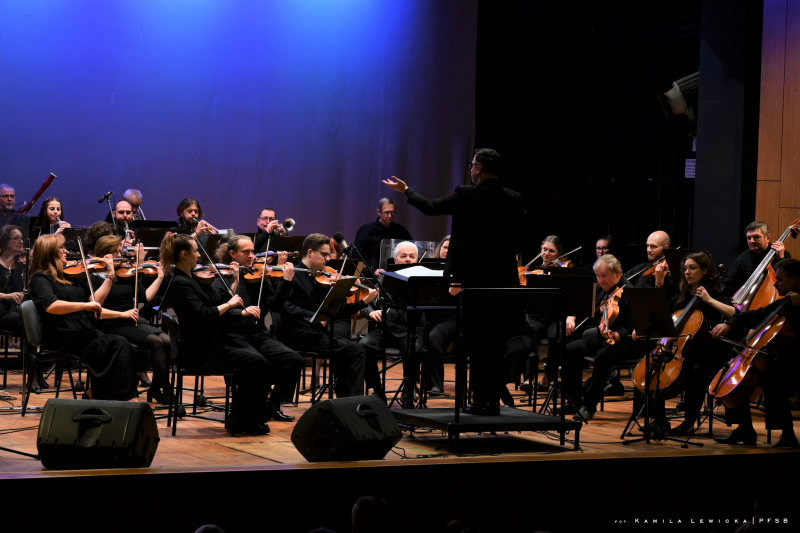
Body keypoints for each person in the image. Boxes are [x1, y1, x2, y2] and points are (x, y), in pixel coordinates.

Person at [383, 147, 527, 415]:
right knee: (494, 343)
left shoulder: (466, 194)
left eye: (473, 164)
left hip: (471, 281)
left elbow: (430, 207)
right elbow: (519, 238)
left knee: (475, 343)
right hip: (502, 282)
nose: (471, 168)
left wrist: (406, 191)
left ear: (478, 168)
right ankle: (491, 402)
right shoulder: (513, 198)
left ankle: (479, 401)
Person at [159, 232, 272, 435]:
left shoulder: (191, 278)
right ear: (184, 255)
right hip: (201, 351)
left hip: (210, 343)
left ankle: (243, 418)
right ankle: (242, 421)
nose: (199, 256)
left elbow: (213, 303)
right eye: (196, 252)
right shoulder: (180, 283)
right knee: (256, 362)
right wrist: (230, 304)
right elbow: (203, 314)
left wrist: (233, 285)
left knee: (258, 359)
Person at [633, 252, 735, 435]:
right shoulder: (682, 296)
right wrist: (643, 326)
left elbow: (734, 313)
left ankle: (689, 422)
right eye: (685, 268)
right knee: (653, 365)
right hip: (686, 348)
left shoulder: (715, 293)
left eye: (692, 268)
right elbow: (661, 314)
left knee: (696, 371)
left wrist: (709, 301)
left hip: (711, 348)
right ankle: (660, 419)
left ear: (705, 271)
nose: (687, 272)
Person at [28, 234, 138, 399]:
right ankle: (122, 398)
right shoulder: (41, 278)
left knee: (125, 345)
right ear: (49, 252)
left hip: (84, 331)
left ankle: (98, 394)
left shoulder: (73, 276)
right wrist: (82, 306)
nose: (66, 251)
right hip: (62, 334)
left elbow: (96, 304)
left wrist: (110, 276)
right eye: (61, 248)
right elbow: (51, 306)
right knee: (116, 344)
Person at [710, 258, 800, 448]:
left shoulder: (794, 305)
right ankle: (745, 429)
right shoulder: (783, 303)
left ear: (795, 280)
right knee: (735, 373)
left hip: (795, 362)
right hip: (781, 359)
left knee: (773, 378)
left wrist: (798, 306)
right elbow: (755, 315)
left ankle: (788, 434)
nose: (776, 283)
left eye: (780, 279)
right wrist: (729, 323)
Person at [213, 234, 304, 421]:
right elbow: (218, 311)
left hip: (258, 334)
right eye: (245, 252)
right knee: (257, 361)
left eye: (253, 252)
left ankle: (272, 404)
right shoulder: (221, 277)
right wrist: (242, 312)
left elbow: (275, 306)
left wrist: (285, 282)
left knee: (293, 359)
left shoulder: (260, 276)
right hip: (233, 335)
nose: (251, 256)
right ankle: (244, 412)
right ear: (232, 254)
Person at [280, 233, 378, 398]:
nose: (328, 258)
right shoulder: (294, 275)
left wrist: (363, 302)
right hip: (298, 332)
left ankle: (348, 399)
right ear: (310, 252)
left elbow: (335, 311)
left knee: (355, 350)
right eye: (324, 254)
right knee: (349, 350)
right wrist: (314, 316)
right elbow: (284, 306)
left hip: (316, 331)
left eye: (328, 254)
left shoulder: (320, 277)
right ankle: (349, 400)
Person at [87, 235, 172, 403]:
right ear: (104, 254)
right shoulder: (94, 276)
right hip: (112, 322)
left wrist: (160, 277)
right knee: (156, 342)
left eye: (120, 251)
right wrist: (110, 275)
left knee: (166, 340)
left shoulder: (127, 273)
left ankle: (155, 388)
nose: (120, 255)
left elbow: (145, 297)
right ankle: (166, 389)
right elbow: (96, 306)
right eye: (115, 252)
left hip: (132, 320)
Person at [561, 254, 646, 420]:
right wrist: (571, 317)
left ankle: (588, 406)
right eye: (598, 276)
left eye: (604, 276)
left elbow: (630, 327)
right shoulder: (603, 289)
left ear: (618, 273)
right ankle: (573, 401)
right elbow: (582, 305)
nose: (600, 280)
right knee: (570, 349)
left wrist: (614, 334)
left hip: (630, 340)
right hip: (606, 336)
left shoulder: (630, 294)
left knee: (603, 355)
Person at [358, 241, 424, 402]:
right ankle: (377, 391)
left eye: (411, 256)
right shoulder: (384, 279)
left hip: (411, 329)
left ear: (417, 259)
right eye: (403, 256)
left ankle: (409, 389)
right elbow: (366, 304)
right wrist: (371, 313)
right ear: (395, 260)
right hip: (385, 329)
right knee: (363, 346)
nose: (408, 259)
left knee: (413, 350)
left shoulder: (423, 281)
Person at [521, 236, 577, 393]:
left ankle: (547, 377)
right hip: (536, 317)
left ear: (559, 253)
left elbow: (574, 296)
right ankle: (528, 378)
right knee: (530, 334)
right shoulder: (533, 270)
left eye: (551, 251)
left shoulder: (564, 270)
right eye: (544, 249)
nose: (546, 254)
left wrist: (565, 275)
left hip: (556, 317)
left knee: (558, 337)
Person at [721, 221, 792, 297]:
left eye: (756, 237)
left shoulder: (781, 253)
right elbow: (730, 283)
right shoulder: (743, 258)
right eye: (749, 238)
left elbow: (788, 281)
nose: (752, 241)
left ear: (767, 238)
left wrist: (781, 259)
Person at [353, 198, 413, 268]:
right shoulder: (367, 230)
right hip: (371, 273)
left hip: (396, 271)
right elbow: (358, 254)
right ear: (379, 212)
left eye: (392, 212)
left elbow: (412, 247)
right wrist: (373, 269)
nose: (390, 216)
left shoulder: (400, 230)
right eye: (386, 212)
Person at [0, 225, 24, 335]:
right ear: (5, 241)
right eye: (16, 238)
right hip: (1, 312)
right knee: (25, 321)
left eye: (22, 238)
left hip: (15, 311)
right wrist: (5, 296)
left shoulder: (23, 265)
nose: (21, 241)